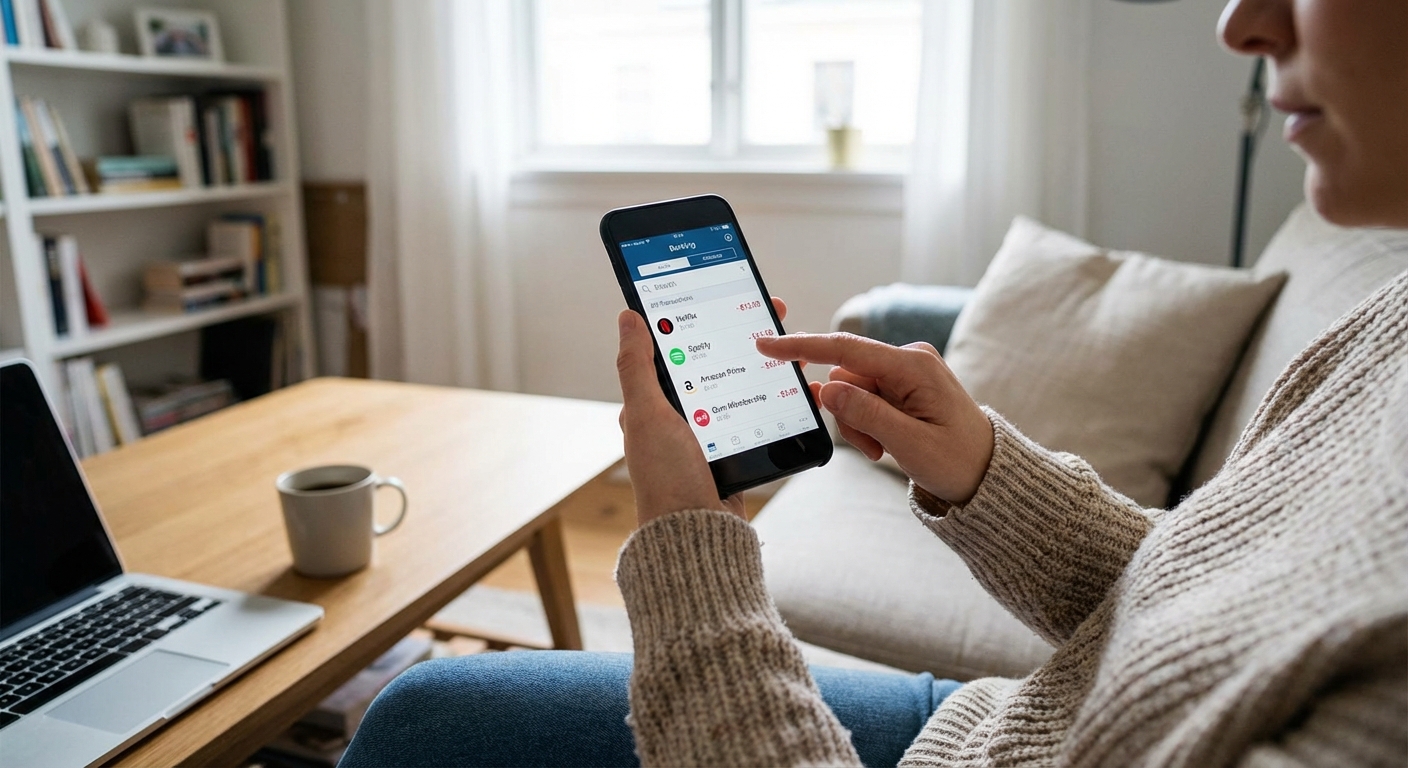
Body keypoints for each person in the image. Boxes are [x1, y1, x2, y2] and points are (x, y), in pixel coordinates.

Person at [341, 0, 1407, 764]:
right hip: (1020, 722)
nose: (1239, 22)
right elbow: (1209, 608)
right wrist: (985, 470)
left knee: (420, 722)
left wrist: (686, 554)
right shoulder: (1389, 320)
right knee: (425, 711)